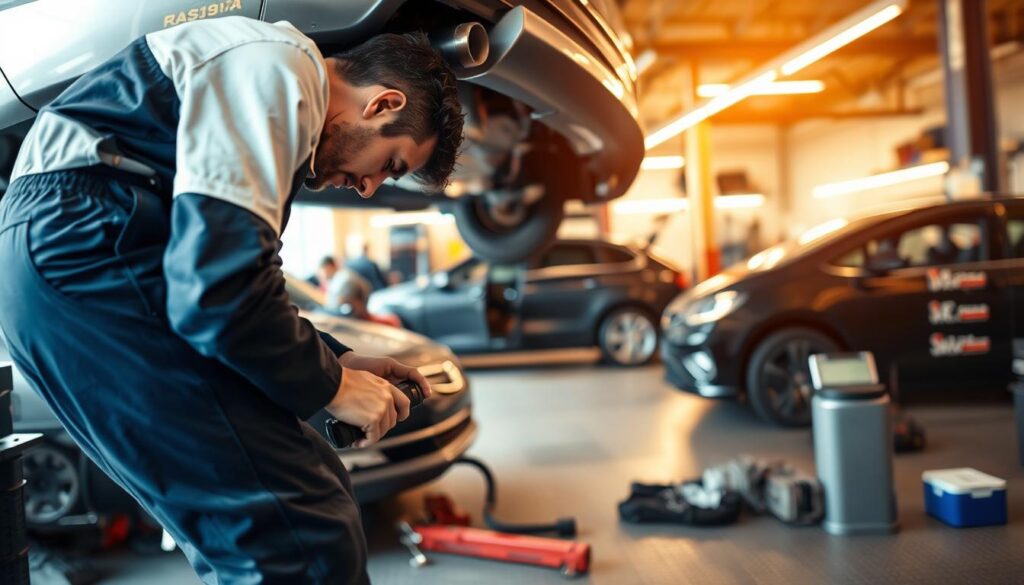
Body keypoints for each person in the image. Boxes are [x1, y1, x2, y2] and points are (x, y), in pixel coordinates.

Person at [0, 15, 463, 584]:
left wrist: (335, 357)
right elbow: (219, 289)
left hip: (71, 261)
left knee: (291, 507)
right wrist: (333, 388)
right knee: (296, 530)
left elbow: (225, 277)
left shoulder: (266, 89)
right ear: (382, 104)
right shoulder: (279, 66)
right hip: (84, 248)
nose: (367, 188)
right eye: (390, 166)